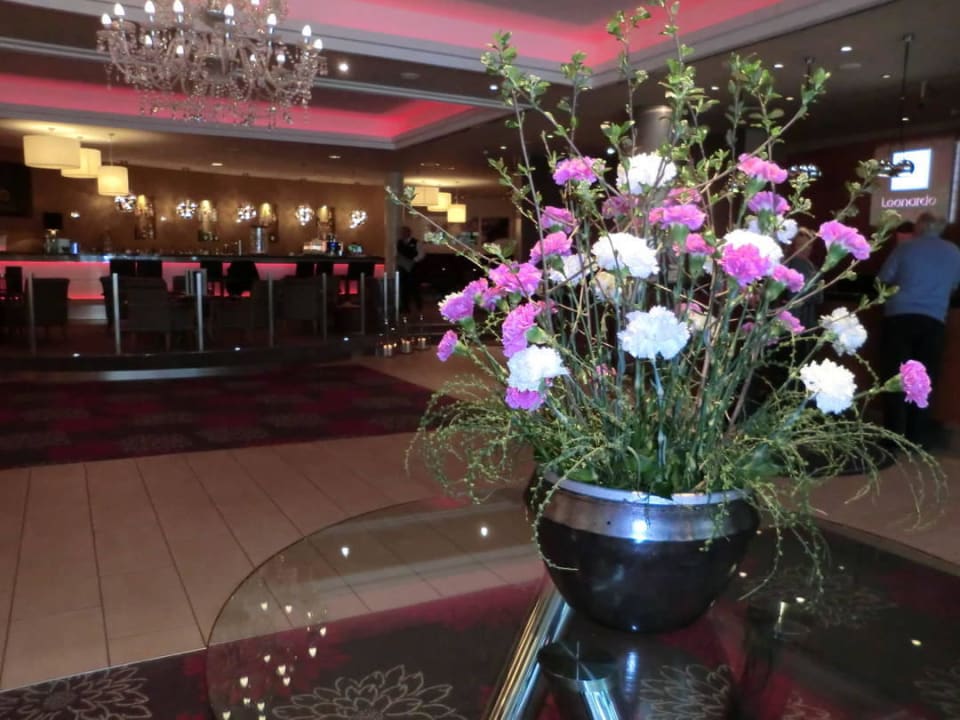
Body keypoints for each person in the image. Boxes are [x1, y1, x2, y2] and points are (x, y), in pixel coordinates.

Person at [878, 213, 960, 447]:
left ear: (919, 227)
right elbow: (954, 285)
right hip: (934, 320)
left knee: (895, 378)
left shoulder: (905, 248)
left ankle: (892, 438)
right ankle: (916, 438)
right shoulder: (954, 252)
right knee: (924, 380)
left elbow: (883, 278)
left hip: (899, 317)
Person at [396, 226, 424, 313]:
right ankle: (405, 307)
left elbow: (421, 254)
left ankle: (419, 305)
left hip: (413, 268)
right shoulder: (399, 242)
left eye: (405, 232)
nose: (403, 234)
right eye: (402, 232)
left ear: (409, 233)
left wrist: (413, 261)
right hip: (402, 267)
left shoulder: (416, 242)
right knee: (403, 288)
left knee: (414, 287)